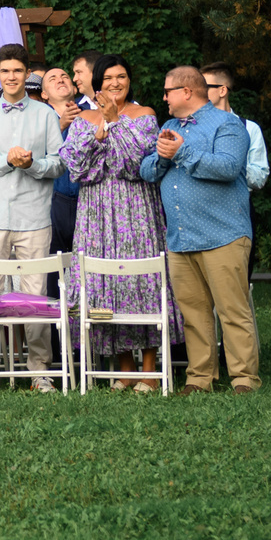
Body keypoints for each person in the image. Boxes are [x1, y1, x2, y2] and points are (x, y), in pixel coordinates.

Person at [141, 66, 259, 393]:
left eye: (168, 91)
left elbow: (227, 167)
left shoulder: (228, 125)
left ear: (187, 91)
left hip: (223, 234)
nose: (163, 97)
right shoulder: (167, 126)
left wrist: (181, 151)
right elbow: (148, 170)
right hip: (181, 237)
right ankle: (199, 378)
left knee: (232, 311)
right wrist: (163, 158)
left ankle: (244, 379)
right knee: (193, 314)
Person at [61, 55, 173, 390]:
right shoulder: (82, 119)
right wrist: (102, 127)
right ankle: (125, 369)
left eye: (121, 76)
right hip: (95, 213)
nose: (115, 83)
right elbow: (76, 166)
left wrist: (116, 123)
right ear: (97, 83)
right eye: (108, 78)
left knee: (141, 283)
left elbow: (138, 161)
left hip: (136, 209)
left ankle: (150, 370)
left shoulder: (146, 116)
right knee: (109, 287)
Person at [0, 45, 62, 385]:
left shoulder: (46, 115)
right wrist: (6, 160)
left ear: (26, 75)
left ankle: (40, 373)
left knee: (35, 296)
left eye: (17, 71)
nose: (11, 77)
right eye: (5, 71)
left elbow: (59, 163)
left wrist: (32, 163)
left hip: (34, 217)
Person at [202, 63, 270, 280]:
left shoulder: (249, 129)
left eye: (204, 86)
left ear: (222, 90)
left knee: (237, 279)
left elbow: (259, 177)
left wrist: (230, 166)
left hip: (237, 210)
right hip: (200, 209)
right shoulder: (192, 128)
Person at [41, 66, 81, 262]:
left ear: (75, 88)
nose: (60, 79)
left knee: (83, 263)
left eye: (65, 76)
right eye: (52, 79)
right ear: (44, 94)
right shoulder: (38, 117)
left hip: (86, 199)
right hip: (51, 202)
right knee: (53, 266)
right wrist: (61, 124)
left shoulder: (90, 113)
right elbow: (33, 152)